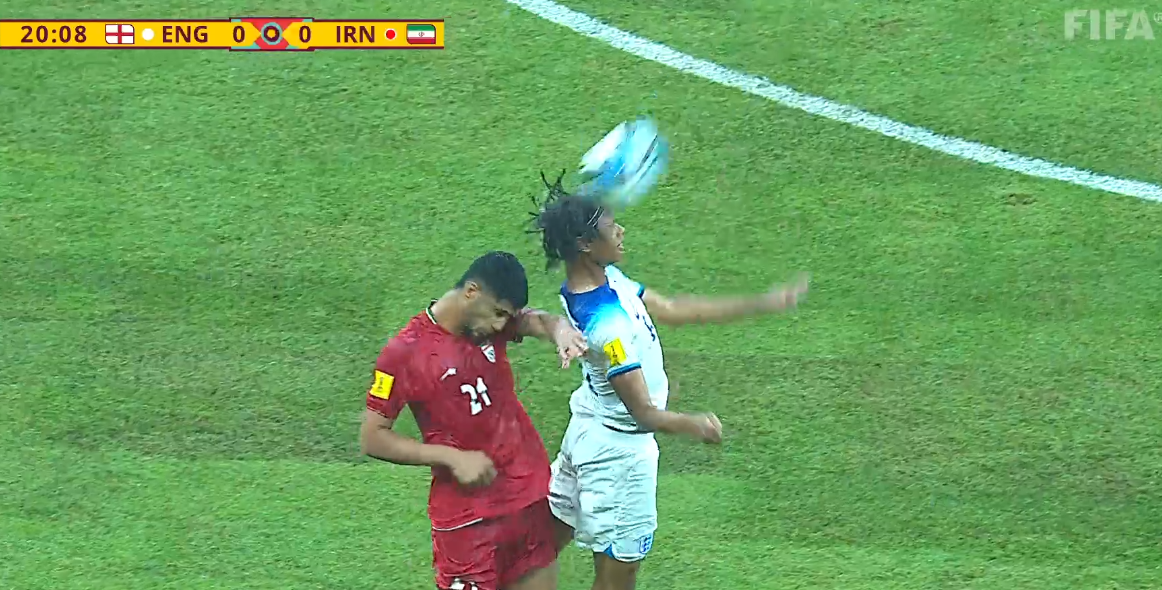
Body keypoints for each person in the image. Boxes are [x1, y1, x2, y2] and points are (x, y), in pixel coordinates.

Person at [528, 172, 810, 590]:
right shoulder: (607, 325)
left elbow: (675, 310)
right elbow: (642, 413)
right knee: (616, 577)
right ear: (585, 244)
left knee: (539, 547)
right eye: (611, 227)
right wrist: (692, 424)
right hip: (618, 458)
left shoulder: (604, 282)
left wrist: (763, 303)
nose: (621, 232)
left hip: (589, 428)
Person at [360, 250, 589, 590]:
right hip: (469, 523)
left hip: (529, 501)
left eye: (506, 317)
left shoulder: (488, 325)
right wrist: (451, 457)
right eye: (498, 314)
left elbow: (535, 320)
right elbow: (373, 436)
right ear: (471, 292)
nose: (500, 326)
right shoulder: (405, 352)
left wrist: (560, 329)